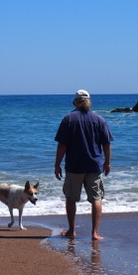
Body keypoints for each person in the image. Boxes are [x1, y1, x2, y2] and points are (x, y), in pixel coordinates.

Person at [54, 89, 113, 240]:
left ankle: (71, 230)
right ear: (89, 102)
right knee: (96, 198)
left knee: (71, 198)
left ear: (75, 102)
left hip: (74, 166)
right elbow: (106, 144)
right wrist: (107, 162)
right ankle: (95, 233)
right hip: (94, 165)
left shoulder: (68, 119)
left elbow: (62, 145)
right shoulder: (99, 119)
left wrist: (57, 165)